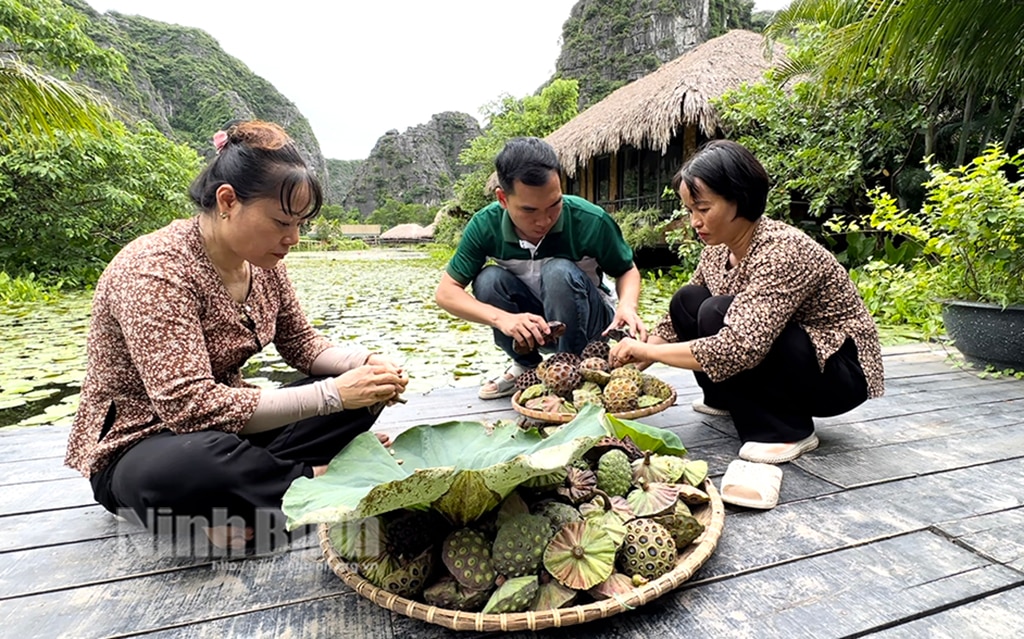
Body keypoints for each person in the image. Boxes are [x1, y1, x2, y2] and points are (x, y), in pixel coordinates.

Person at [64, 120, 408, 551]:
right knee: (197, 464)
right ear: (227, 201)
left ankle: (256, 499)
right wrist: (334, 394)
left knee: (364, 397)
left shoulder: (263, 264)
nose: (293, 239)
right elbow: (189, 407)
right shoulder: (154, 270)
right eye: (282, 221)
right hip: (144, 445)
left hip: (230, 430)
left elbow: (301, 343)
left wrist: (365, 367)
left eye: (300, 223)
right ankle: (320, 477)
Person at [610, 140, 884, 464]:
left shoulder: (782, 250)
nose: (694, 221)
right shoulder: (717, 248)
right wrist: (636, 361)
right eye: (689, 210)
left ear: (739, 199)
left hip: (837, 370)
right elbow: (674, 324)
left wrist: (650, 351)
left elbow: (741, 345)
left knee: (717, 311)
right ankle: (724, 397)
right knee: (688, 300)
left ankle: (785, 429)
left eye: (703, 209)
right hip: (789, 355)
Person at [435, 136, 647, 399]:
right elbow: (446, 293)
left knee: (557, 271)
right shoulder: (485, 225)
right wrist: (504, 319)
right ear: (503, 199)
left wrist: (628, 305)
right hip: (533, 326)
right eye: (529, 210)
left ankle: (576, 371)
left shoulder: (590, 220)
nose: (544, 220)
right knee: (488, 279)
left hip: (590, 323)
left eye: (554, 204)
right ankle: (527, 366)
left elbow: (627, 270)